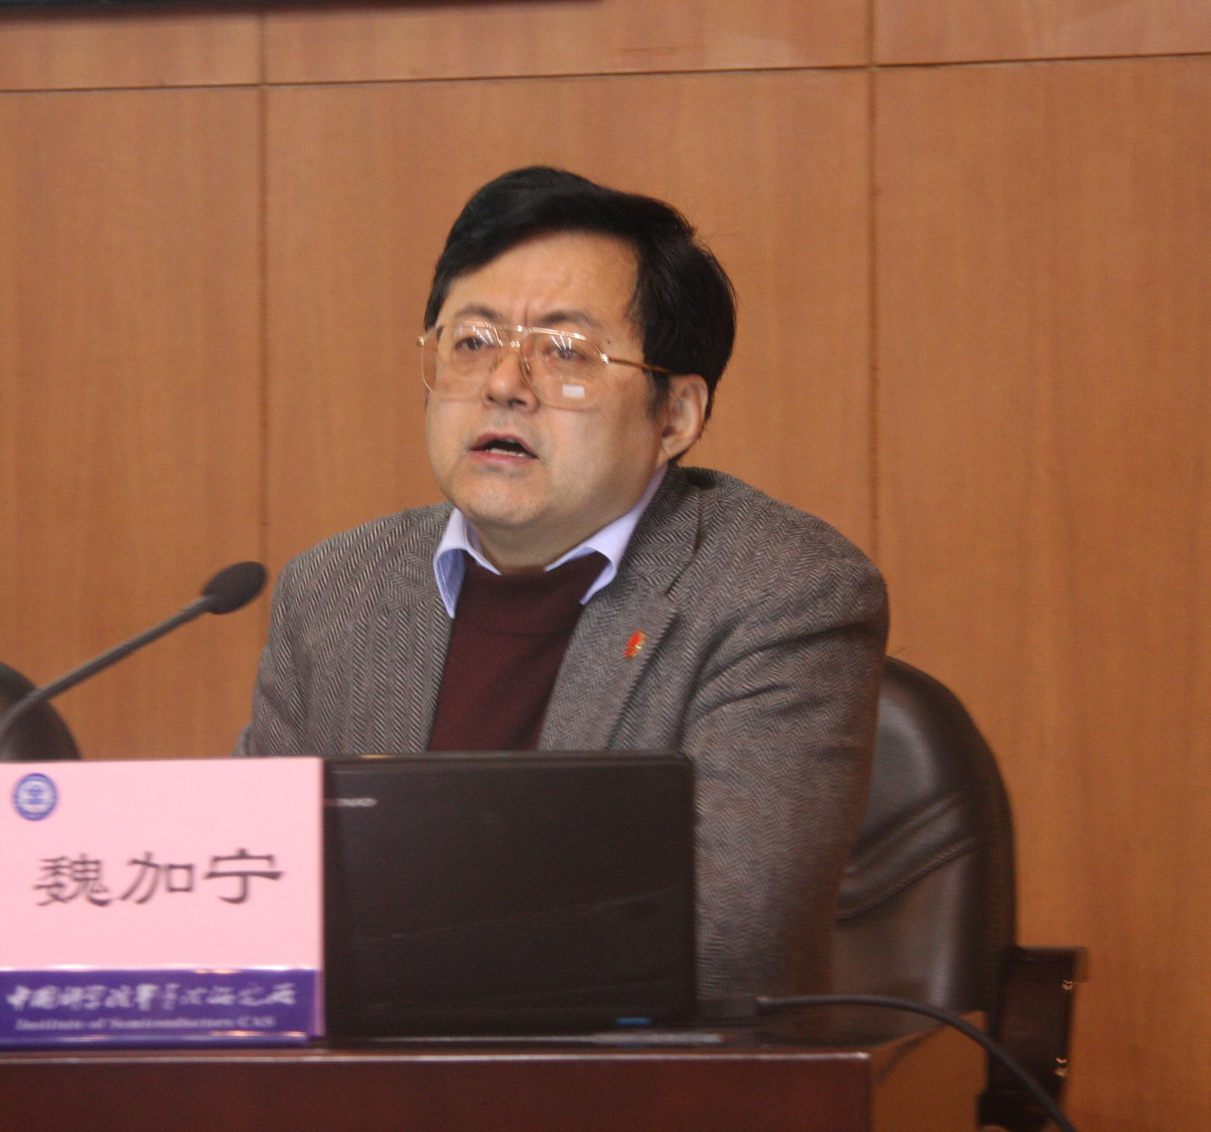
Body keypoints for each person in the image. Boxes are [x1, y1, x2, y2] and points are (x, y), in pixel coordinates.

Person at [238, 166, 887, 999]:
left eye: (567, 352)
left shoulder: (780, 593)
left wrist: (380, 941)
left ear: (675, 416)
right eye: (471, 342)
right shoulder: (334, 593)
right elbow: (249, 886)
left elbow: (724, 939)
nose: (504, 385)